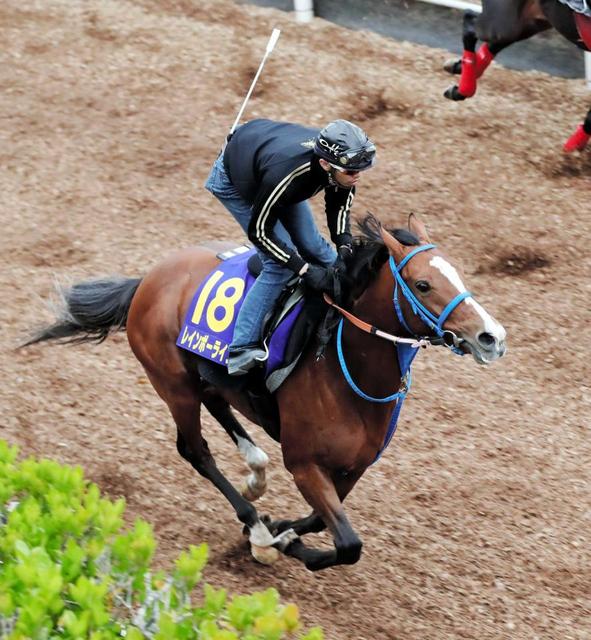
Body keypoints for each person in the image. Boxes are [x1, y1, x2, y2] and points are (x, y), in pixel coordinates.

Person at [204, 118, 376, 376]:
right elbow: (259, 232)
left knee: (315, 246)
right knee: (278, 267)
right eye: (351, 172)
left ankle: (341, 301)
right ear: (325, 164)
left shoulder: (341, 168)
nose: (356, 177)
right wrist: (304, 270)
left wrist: (344, 246)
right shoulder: (285, 175)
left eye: (360, 171)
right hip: (239, 182)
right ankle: (242, 348)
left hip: (271, 172)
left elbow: (339, 207)